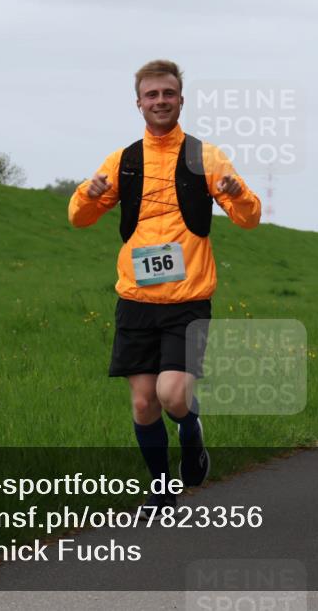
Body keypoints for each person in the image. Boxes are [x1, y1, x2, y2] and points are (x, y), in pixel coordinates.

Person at [68, 60, 261, 508]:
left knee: (172, 395)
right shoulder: (122, 160)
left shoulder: (206, 156)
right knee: (142, 404)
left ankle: (191, 433)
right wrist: (89, 194)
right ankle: (161, 487)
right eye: (151, 95)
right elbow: (79, 219)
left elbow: (248, 219)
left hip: (188, 299)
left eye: (168, 94)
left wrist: (234, 192)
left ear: (181, 99)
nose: (160, 101)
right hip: (135, 299)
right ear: (138, 103)